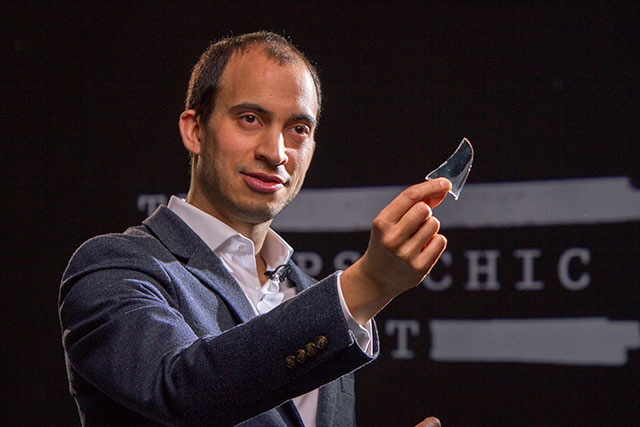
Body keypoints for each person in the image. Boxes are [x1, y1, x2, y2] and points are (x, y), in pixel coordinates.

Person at [59, 31, 450, 426]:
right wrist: (367, 284)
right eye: (250, 119)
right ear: (195, 130)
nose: (275, 152)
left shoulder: (313, 294)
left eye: (298, 128)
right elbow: (183, 391)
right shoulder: (115, 266)